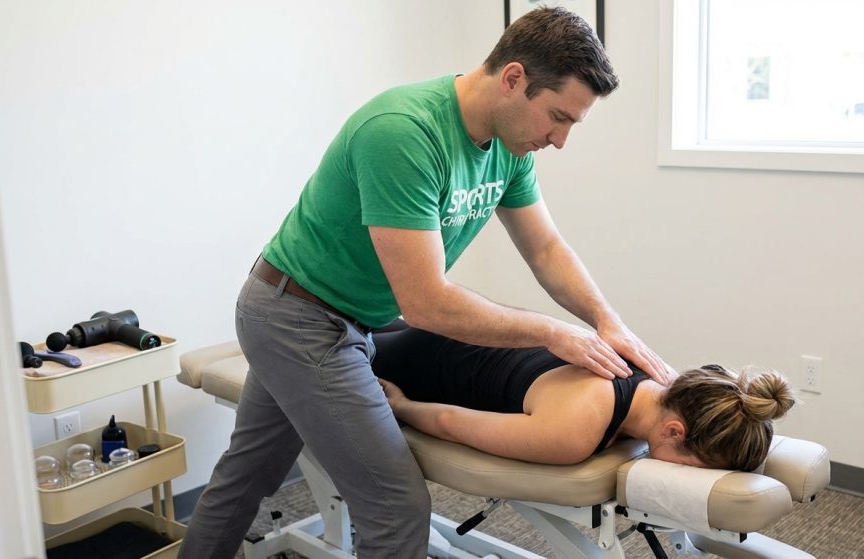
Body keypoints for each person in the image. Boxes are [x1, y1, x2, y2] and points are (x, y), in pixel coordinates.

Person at [180, 7, 675, 559]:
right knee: (395, 507)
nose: (559, 140)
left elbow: (546, 248)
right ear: (513, 79)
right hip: (296, 316)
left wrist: (606, 321)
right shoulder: (404, 133)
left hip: (351, 317)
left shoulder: (509, 150)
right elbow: (426, 302)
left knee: (245, 477)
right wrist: (555, 335)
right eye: (558, 117)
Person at [374, 323, 797, 470]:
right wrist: (401, 406)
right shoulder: (574, 433)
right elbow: (450, 423)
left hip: (443, 338)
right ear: (674, 429)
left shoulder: (658, 374)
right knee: (323, 331)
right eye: (697, 466)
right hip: (408, 364)